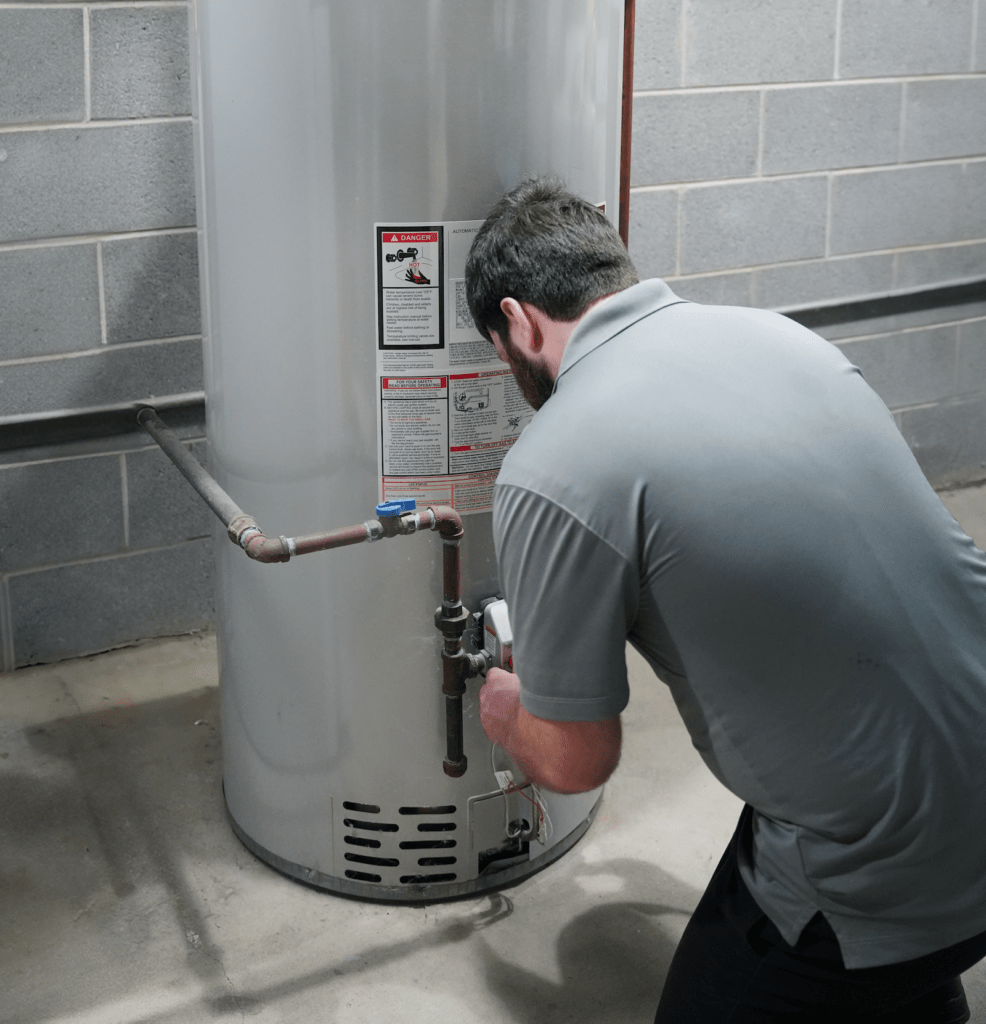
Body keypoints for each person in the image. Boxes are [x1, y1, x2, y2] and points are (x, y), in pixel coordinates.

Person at [464, 175, 986, 1023]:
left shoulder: (553, 463)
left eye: (498, 344)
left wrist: (508, 710)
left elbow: (571, 762)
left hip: (884, 858)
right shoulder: (783, 338)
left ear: (519, 322)